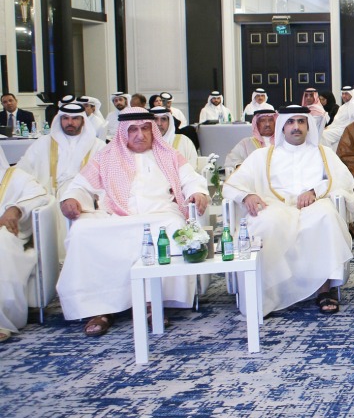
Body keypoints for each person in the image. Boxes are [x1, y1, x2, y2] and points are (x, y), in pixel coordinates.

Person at [57, 108, 211, 336]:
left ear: (153, 130)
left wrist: (198, 192)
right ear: (123, 133)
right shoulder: (105, 156)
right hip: (115, 216)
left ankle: (153, 303)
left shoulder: (168, 154)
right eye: (133, 130)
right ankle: (100, 308)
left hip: (160, 214)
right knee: (81, 232)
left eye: (145, 128)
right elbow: (79, 186)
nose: (140, 135)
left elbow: (191, 179)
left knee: (174, 226)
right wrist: (70, 199)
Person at [223, 106, 354, 316]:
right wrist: (247, 196)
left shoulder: (322, 152)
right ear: (282, 127)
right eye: (291, 122)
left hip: (312, 204)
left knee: (327, 216)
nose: (296, 127)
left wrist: (315, 190)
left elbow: (343, 180)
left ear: (308, 126)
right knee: (265, 223)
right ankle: (270, 292)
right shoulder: (263, 156)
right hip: (275, 205)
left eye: (301, 122)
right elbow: (232, 184)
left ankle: (324, 290)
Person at [0, 151, 50, 341]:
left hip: (7, 233)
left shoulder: (15, 176)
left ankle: (3, 320)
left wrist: (15, 209)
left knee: (2, 246)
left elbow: (40, 196)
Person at [18, 101, 102, 199]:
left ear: (83, 120)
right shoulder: (44, 142)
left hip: (83, 195)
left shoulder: (97, 145)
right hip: (48, 194)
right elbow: (25, 166)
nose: (70, 122)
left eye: (75, 118)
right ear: (60, 119)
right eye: (65, 118)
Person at [224, 107, 276, 175]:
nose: (267, 124)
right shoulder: (246, 143)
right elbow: (231, 159)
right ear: (256, 124)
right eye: (263, 120)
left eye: (271, 120)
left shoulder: (283, 141)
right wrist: (241, 166)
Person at [151, 105, 202, 172]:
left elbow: (192, 167)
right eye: (155, 119)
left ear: (169, 122)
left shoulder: (183, 141)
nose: (159, 123)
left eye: (163, 119)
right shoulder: (144, 144)